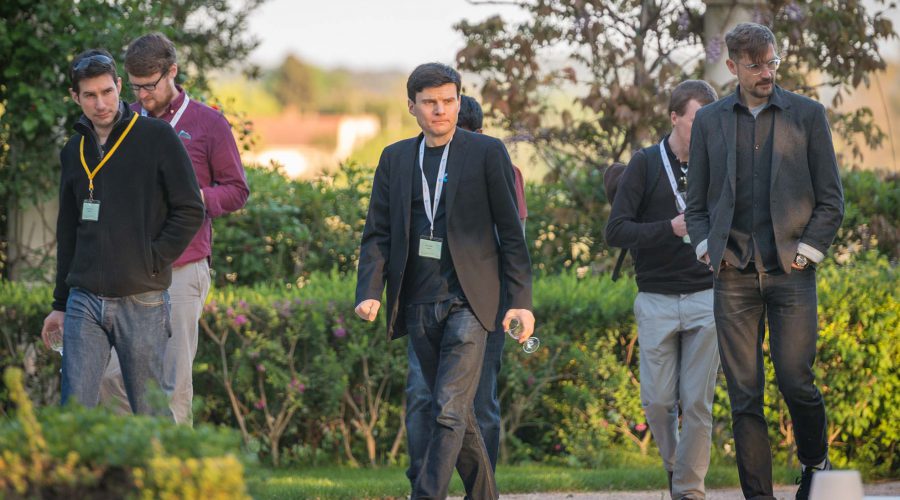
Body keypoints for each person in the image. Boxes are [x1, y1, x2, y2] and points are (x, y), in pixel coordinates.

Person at [354, 63, 534, 500]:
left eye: (448, 101)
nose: (441, 110)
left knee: (449, 409)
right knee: (455, 412)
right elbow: (377, 231)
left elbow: (511, 234)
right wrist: (369, 292)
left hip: (473, 302)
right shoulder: (395, 158)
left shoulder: (487, 152)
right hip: (417, 300)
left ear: (458, 101)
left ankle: (426, 493)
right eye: (430, 102)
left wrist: (520, 301)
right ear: (412, 106)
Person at [684, 23, 844, 500]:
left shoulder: (808, 115)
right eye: (755, 65)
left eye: (771, 62)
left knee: (797, 382)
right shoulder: (710, 121)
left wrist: (808, 252)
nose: (766, 72)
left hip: (792, 275)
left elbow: (831, 200)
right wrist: (703, 246)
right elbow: (696, 204)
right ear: (732, 66)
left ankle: (815, 463)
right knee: (744, 397)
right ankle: (759, 496)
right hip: (731, 275)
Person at [40, 49, 204, 417]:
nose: (101, 103)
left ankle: (159, 475)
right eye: (90, 95)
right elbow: (68, 232)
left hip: (141, 297)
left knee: (149, 409)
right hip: (84, 299)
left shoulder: (156, 137)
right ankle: (78, 477)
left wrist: (152, 260)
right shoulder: (74, 151)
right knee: (75, 409)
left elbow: (190, 208)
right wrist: (60, 304)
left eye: (107, 91)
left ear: (118, 86)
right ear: (75, 98)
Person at [97, 33, 250, 425]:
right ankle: (137, 466)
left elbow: (237, 191)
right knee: (109, 378)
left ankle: (173, 476)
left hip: (183, 268)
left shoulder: (208, 123)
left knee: (172, 383)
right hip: (130, 271)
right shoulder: (124, 121)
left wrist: (193, 197)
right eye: (134, 87)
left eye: (150, 85)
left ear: (173, 72)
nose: (143, 96)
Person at [404, 94, 528, 489]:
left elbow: (512, 237)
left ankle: (473, 483)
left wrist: (514, 302)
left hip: (482, 303)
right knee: (427, 398)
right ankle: (425, 480)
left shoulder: (499, 167)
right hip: (428, 298)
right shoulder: (417, 164)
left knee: (479, 402)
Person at [606, 80, 720, 500]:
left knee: (697, 404)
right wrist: (668, 229)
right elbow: (615, 231)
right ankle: (674, 467)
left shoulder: (719, 163)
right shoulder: (645, 164)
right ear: (674, 118)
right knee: (657, 403)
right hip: (654, 298)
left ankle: (690, 490)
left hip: (707, 296)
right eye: (696, 120)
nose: (705, 129)